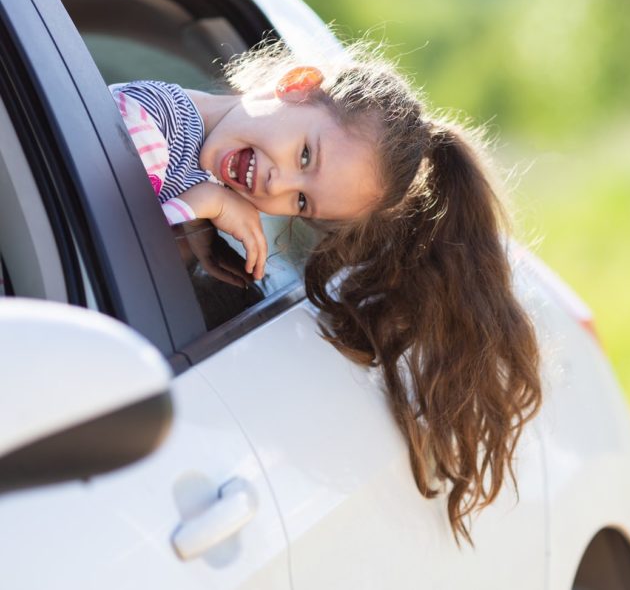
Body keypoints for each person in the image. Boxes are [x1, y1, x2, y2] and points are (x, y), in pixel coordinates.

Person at [110, 41, 542, 545]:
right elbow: (100, 237)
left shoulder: (184, 152)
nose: (276, 183)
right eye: (306, 155)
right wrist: (199, 205)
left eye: (300, 200)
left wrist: (197, 220)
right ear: (297, 85)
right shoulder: (145, 123)